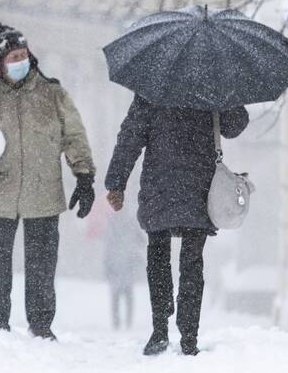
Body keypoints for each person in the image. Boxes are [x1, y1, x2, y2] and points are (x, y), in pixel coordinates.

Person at [0, 21, 96, 340]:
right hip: (0, 194)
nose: (19, 62)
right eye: (13, 57)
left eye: (23, 55)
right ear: (0, 62)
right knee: (0, 262)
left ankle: (41, 325)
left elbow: (74, 136)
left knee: (42, 265)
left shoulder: (52, 94)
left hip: (44, 195)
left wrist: (84, 176)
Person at [105, 96, 249, 356]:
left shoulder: (153, 88)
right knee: (192, 261)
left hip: (161, 186)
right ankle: (188, 336)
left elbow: (131, 136)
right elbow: (235, 125)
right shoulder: (210, 84)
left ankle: (160, 328)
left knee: (158, 257)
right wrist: (227, 97)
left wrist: (117, 181)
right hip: (197, 187)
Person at [104, 213, 145, 330]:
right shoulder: (128, 225)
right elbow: (139, 241)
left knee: (118, 296)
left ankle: (120, 322)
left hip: (120, 265)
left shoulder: (113, 226)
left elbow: (108, 248)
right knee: (125, 296)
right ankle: (125, 322)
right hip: (124, 264)